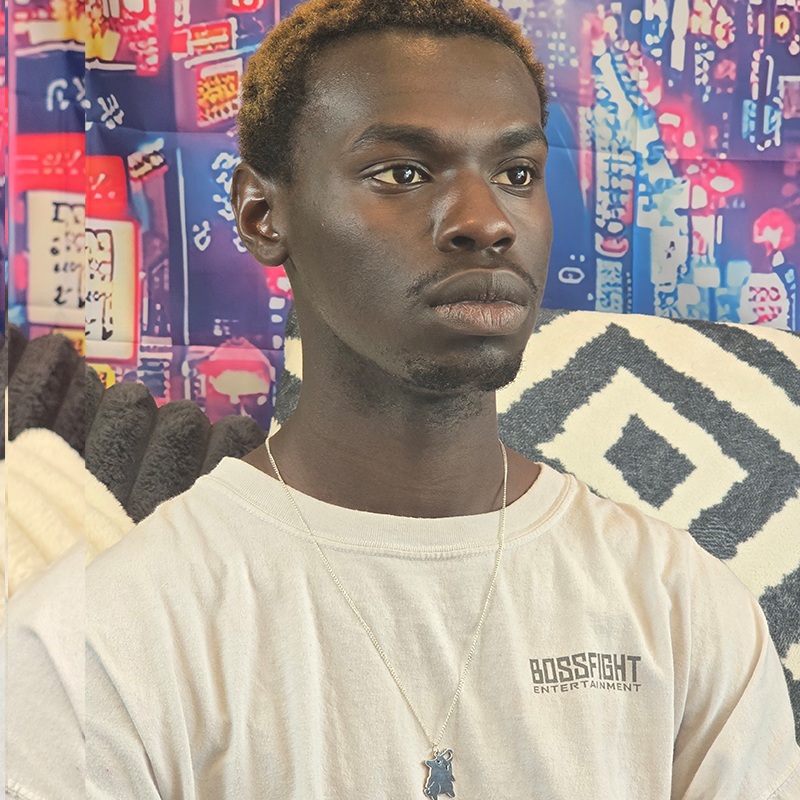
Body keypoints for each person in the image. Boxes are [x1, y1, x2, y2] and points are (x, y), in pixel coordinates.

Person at [86, 0, 800, 797]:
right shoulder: (109, 639)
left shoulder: (684, 611)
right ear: (262, 214)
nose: (486, 222)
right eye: (403, 172)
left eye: (516, 174)